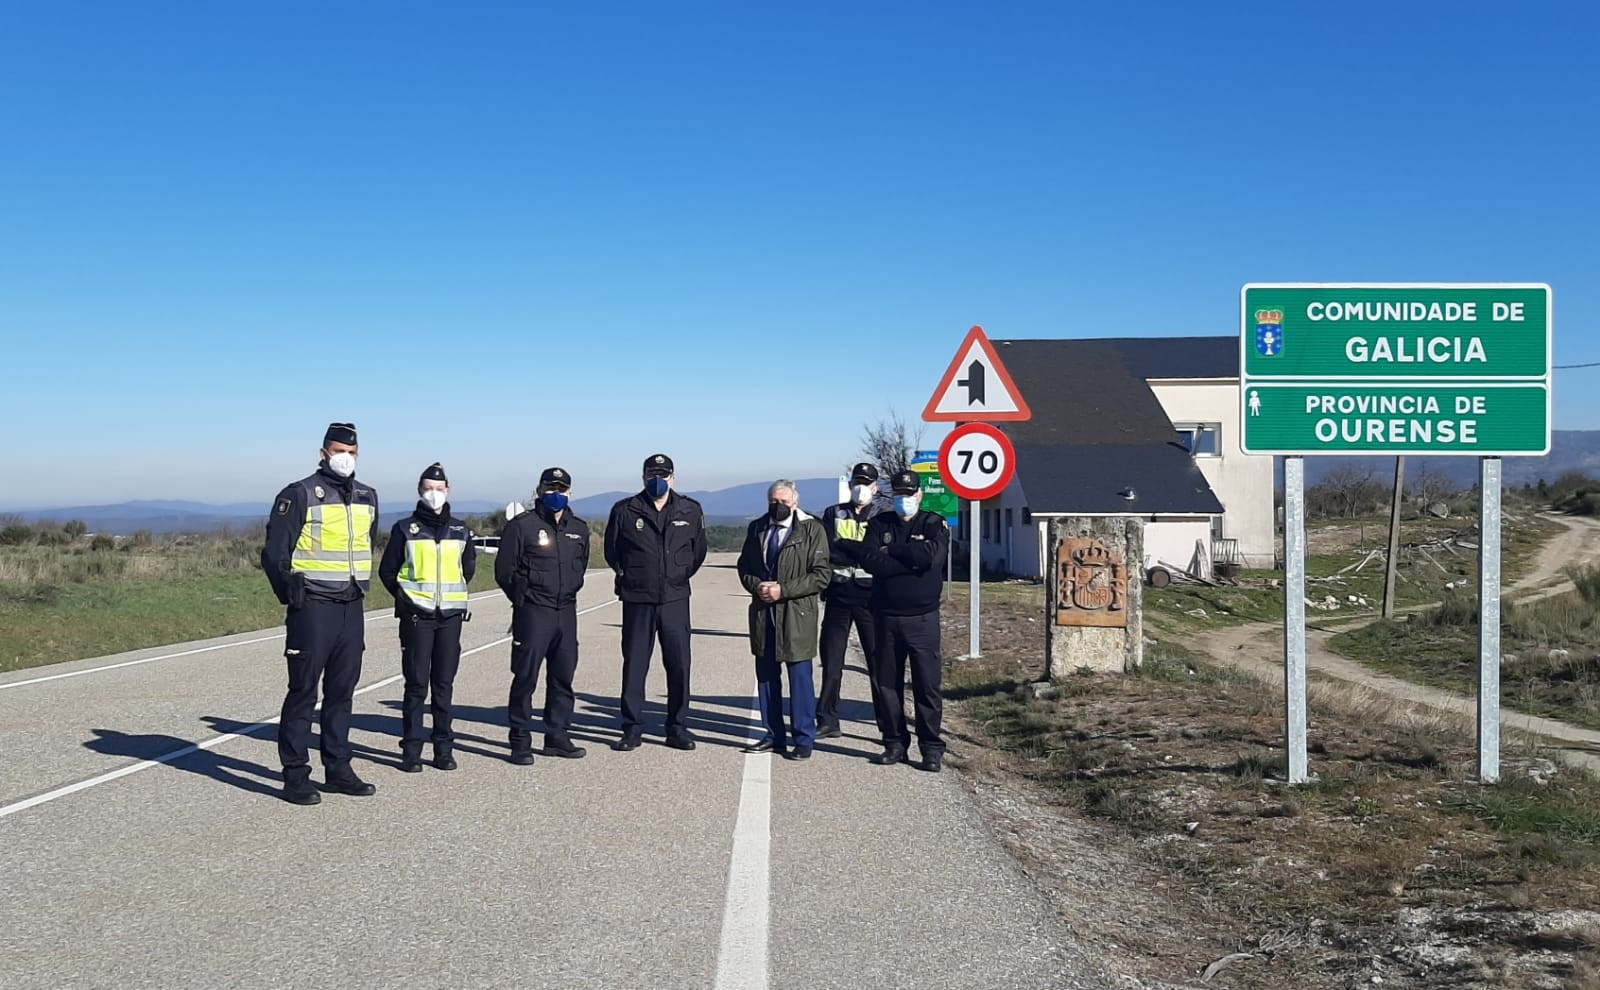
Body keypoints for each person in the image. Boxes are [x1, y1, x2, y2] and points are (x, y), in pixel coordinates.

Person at [260, 422, 381, 804]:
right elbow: (275, 554)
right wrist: (293, 596)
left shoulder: (368, 496)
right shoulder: (298, 495)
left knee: (342, 693)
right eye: (338, 450)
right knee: (303, 693)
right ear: (324, 452)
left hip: (351, 606)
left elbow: (367, 544)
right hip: (312, 607)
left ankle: (338, 768)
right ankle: (295, 775)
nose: (345, 457)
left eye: (351, 451)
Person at [831, 469, 950, 772]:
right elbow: (871, 561)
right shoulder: (879, 524)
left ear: (919, 495)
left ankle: (931, 747)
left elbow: (930, 559)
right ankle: (894, 742)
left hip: (922, 619)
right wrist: (906, 560)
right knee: (887, 684)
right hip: (885, 615)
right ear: (891, 496)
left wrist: (892, 553)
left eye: (908, 495)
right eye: (898, 495)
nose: (903, 500)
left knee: (927, 685)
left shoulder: (934, 524)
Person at [603, 453, 707, 752]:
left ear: (673, 477)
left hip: (674, 598)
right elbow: (613, 550)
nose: (657, 479)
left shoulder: (690, 509)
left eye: (663, 474)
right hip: (638, 598)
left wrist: (679, 575)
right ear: (643, 477)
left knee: (679, 666)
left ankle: (676, 728)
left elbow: (698, 550)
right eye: (652, 474)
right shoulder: (625, 510)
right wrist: (630, 576)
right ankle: (632, 729)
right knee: (635, 665)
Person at [377, 462, 475, 773]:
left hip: (450, 617)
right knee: (417, 685)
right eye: (429, 488)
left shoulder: (461, 529)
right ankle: (411, 750)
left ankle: (444, 749)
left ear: (448, 491)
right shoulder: (405, 528)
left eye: (439, 488)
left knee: (443, 684)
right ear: (421, 491)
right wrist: (407, 600)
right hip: (417, 618)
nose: (434, 493)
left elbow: (467, 569)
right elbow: (388, 571)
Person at [496, 467, 590, 764]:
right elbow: (504, 571)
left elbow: (582, 564)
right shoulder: (522, 526)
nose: (556, 494)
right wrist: (523, 599)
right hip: (534, 612)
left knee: (563, 676)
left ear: (569, 493)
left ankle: (557, 735)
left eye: (561, 490)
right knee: (526, 677)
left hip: (566, 611)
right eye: (550, 489)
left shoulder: (579, 527)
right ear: (539, 491)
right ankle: (520, 740)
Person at [735, 480, 832, 759]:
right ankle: (772, 734)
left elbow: (821, 575)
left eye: (784, 502)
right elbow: (745, 566)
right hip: (764, 613)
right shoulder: (757, 528)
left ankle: (803, 738)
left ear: (795, 502)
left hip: (797, 614)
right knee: (766, 677)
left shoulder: (812, 529)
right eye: (773, 502)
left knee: (800, 678)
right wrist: (759, 587)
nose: (778, 507)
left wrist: (784, 590)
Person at [816, 462, 889, 739]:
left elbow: (880, 552)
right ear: (850, 484)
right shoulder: (833, 513)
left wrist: (851, 550)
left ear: (875, 486)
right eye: (857, 481)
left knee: (877, 661)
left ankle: (886, 724)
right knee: (832, 660)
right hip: (839, 593)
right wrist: (860, 552)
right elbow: (827, 549)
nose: (862, 487)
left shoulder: (884, 515)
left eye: (867, 482)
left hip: (871, 597)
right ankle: (827, 719)